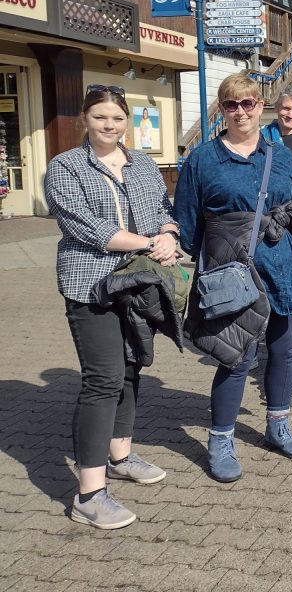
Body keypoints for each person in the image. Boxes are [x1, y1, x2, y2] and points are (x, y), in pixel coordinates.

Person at [174, 72, 292, 483]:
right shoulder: (203, 159)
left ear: (262, 107)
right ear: (222, 109)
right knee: (236, 357)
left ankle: (278, 425)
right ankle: (221, 439)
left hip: (285, 267)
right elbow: (188, 225)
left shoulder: (280, 157)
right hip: (233, 273)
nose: (241, 112)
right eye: (231, 105)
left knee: (285, 351)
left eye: (249, 103)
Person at [44, 85, 180, 529]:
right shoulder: (65, 167)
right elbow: (86, 226)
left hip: (138, 284)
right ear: (85, 119)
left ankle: (120, 455)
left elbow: (162, 208)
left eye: (117, 118)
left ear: (127, 121)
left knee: (130, 368)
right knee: (102, 380)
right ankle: (89, 494)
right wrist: (147, 243)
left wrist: (168, 235)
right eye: (100, 117)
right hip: (91, 285)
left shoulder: (141, 164)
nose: (109, 125)